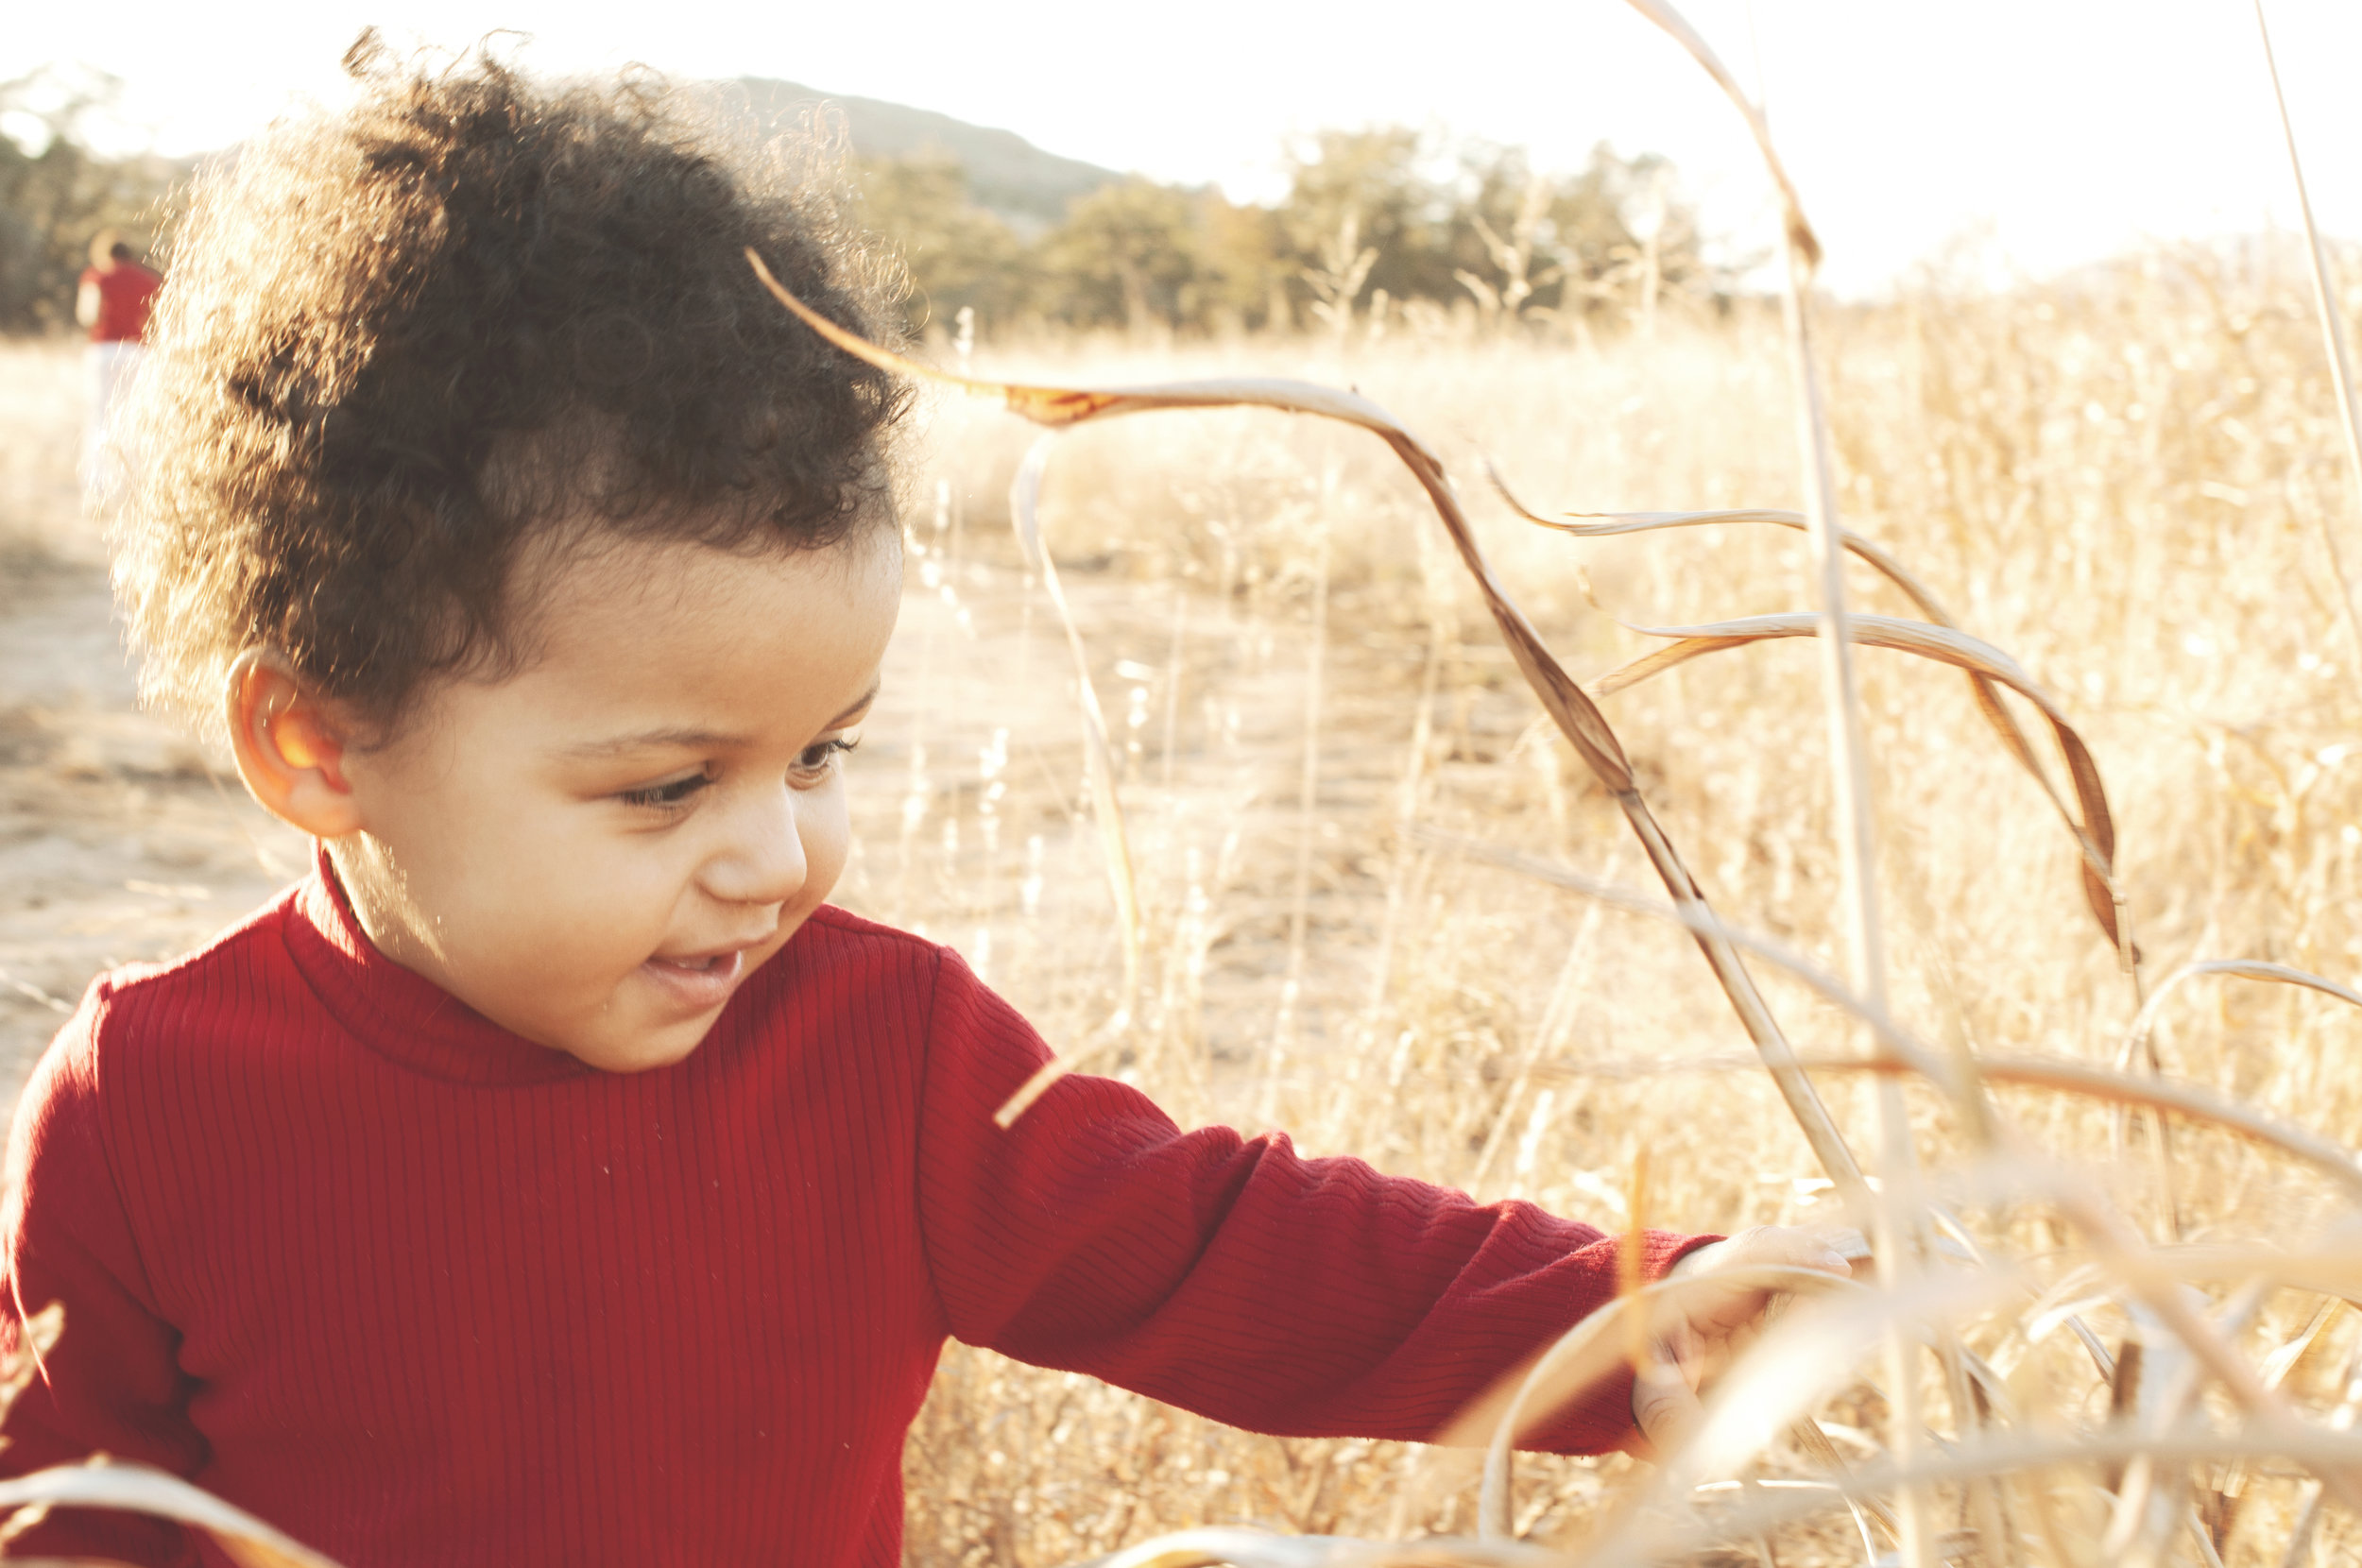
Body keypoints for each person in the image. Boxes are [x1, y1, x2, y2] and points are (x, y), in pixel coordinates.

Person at [0, 43, 1853, 1568]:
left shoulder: (879, 1056)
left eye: (819, 755)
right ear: (317, 746)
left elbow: (1229, 1244)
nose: (778, 852)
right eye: (665, 785)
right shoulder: (144, 1108)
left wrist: (1627, 1304)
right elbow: (71, 1517)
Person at [75, 230, 163, 509]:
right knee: (131, 419)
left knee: (100, 417)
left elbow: (87, 315)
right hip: (138, 353)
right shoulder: (149, 281)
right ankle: (128, 486)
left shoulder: (96, 277)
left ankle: (97, 488)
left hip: (104, 351)